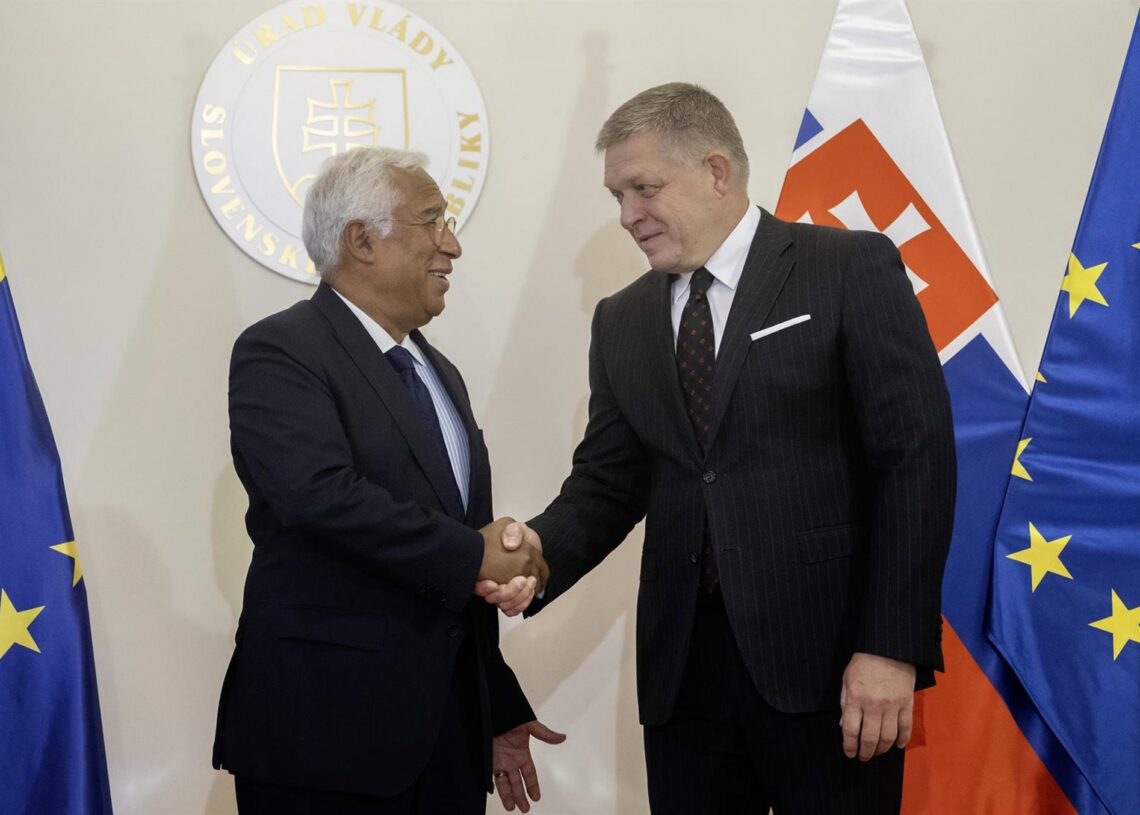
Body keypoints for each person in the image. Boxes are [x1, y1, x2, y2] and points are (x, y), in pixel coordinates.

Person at [488, 83, 956, 814]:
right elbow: (609, 483)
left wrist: (890, 646)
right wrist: (538, 553)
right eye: (617, 196)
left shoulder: (847, 267)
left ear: (715, 171)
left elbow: (915, 461)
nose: (627, 215)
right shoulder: (621, 319)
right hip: (685, 684)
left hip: (832, 671)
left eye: (643, 189)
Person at [212, 146, 564, 815]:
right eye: (433, 221)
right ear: (362, 241)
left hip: (447, 743)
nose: (452, 245)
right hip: (324, 740)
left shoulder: (439, 372)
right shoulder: (280, 350)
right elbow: (320, 497)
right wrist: (476, 554)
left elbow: (457, 559)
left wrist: (495, 704)